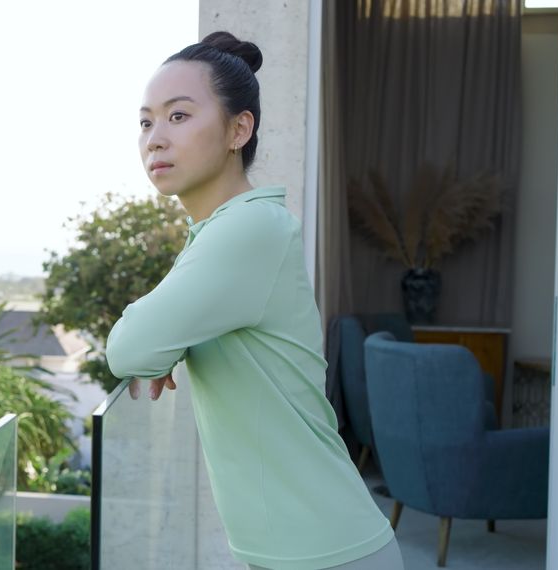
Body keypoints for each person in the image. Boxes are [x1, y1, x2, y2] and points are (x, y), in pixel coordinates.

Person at [104, 31, 405, 570]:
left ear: (239, 129)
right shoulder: (218, 233)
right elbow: (154, 339)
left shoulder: (248, 230)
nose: (154, 139)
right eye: (146, 121)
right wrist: (170, 343)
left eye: (178, 116)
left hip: (327, 549)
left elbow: (128, 348)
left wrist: (161, 343)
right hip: (293, 548)